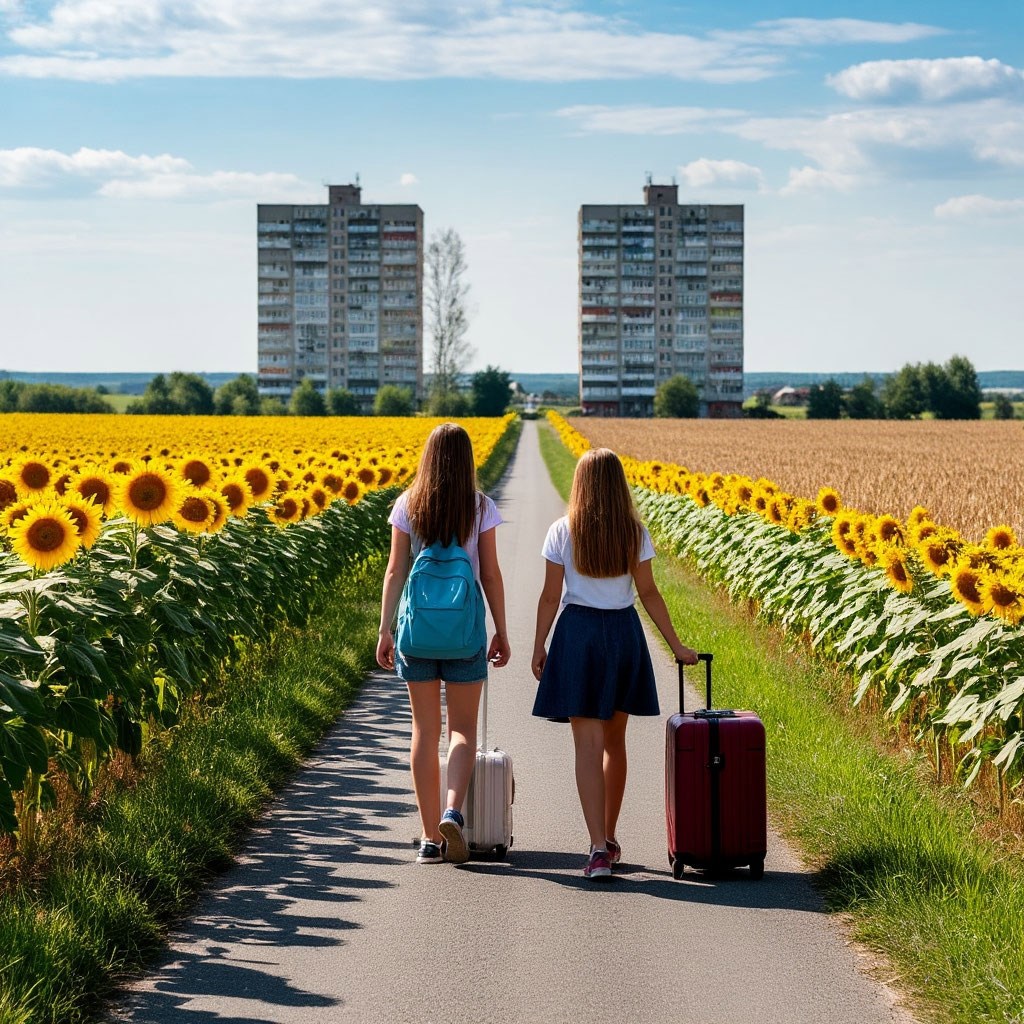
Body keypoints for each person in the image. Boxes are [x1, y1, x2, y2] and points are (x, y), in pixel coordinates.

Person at [531, 448, 697, 880]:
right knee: (614, 743)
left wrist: (538, 644)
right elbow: (649, 593)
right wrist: (677, 646)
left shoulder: (561, 532)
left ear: (580, 485)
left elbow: (551, 596)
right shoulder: (634, 533)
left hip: (578, 636)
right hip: (623, 636)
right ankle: (608, 834)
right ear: (619, 486)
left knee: (585, 745)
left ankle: (598, 850)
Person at [377, 422, 511, 865]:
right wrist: (502, 630)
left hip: (417, 634)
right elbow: (489, 574)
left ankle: (428, 839)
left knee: (423, 731)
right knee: (462, 730)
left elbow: (396, 571)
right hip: (466, 633)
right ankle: (454, 810)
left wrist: (385, 629)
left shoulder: (407, 505)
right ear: (469, 460)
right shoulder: (480, 507)